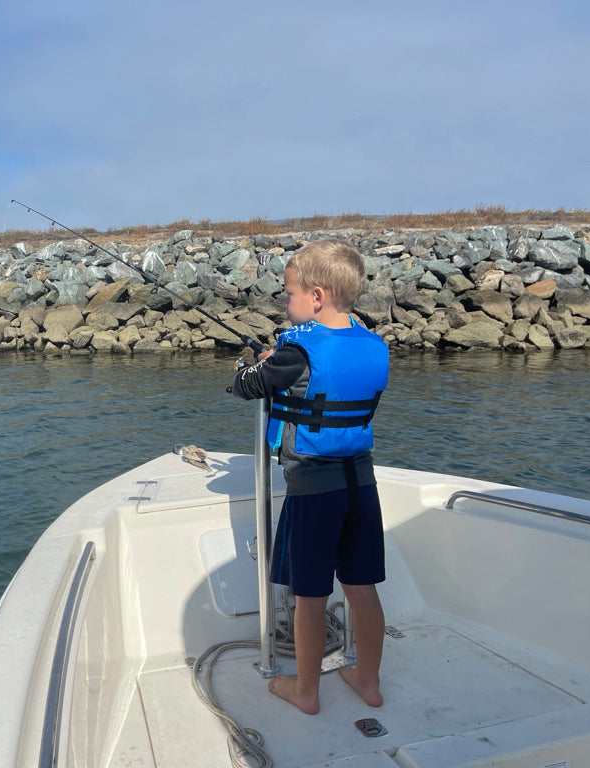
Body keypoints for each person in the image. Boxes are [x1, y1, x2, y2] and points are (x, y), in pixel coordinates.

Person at [230, 239, 390, 715]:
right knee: (362, 589)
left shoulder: (296, 351)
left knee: (311, 596)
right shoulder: (373, 344)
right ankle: (368, 681)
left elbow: (246, 386)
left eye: (289, 293)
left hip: (313, 490)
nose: (285, 302)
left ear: (316, 297)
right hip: (361, 484)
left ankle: (305, 691)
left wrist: (247, 363)